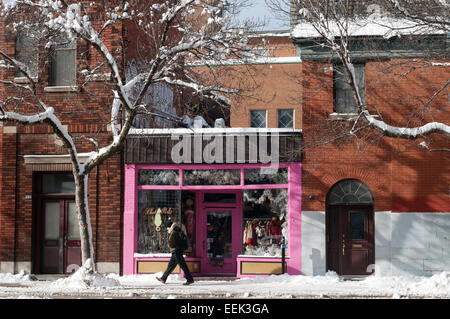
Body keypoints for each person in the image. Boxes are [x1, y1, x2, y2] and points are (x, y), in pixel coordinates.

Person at [156, 221, 194, 285]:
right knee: (170, 266)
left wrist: (169, 245)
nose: (167, 229)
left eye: (167, 227)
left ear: (170, 227)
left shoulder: (173, 232)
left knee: (183, 266)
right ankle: (163, 278)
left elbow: (171, 243)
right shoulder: (177, 230)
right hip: (177, 251)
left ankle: (190, 279)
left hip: (176, 251)